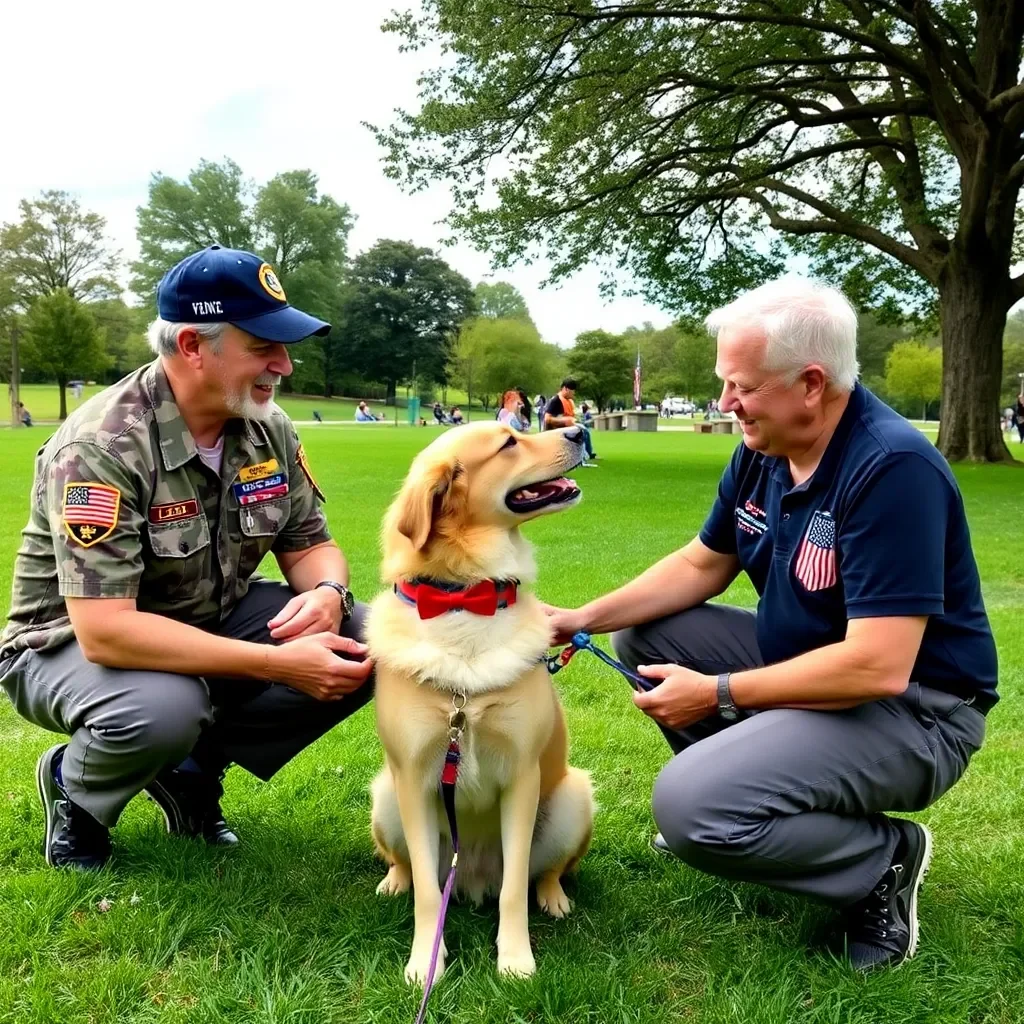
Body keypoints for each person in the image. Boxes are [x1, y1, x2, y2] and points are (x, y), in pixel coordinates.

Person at [543, 276, 996, 971]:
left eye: (740, 386)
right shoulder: (765, 449)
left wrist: (717, 693)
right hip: (820, 666)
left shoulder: (891, 468)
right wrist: (583, 617)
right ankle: (742, 801)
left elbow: (877, 665)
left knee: (691, 808)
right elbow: (702, 564)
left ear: (810, 383)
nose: (725, 404)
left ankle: (878, 863)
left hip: (915, 712)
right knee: (645, 637)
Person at [0, 245, 374, 871]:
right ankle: (78, 790)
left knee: (375, 640)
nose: (283, 364)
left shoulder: (267, 426)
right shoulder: (103, 445)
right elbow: (106, 631)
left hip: (205, 617)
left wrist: (329, 596)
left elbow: (310, 544)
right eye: (262, 345)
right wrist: (278, 664)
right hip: (64, 645)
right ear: (194, 347)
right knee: (162, 708)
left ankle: (192, 768)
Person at [543, 378, 597, 462]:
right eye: (572, 391)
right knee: (583, 431)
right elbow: (547, 419)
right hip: (559, 430)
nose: (573, 393)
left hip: (569, 428)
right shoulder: (556, 400)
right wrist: (564, 420)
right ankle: (584, 455)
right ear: (565, 389)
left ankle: (587, 454)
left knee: (584, 430)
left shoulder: (569, 401)